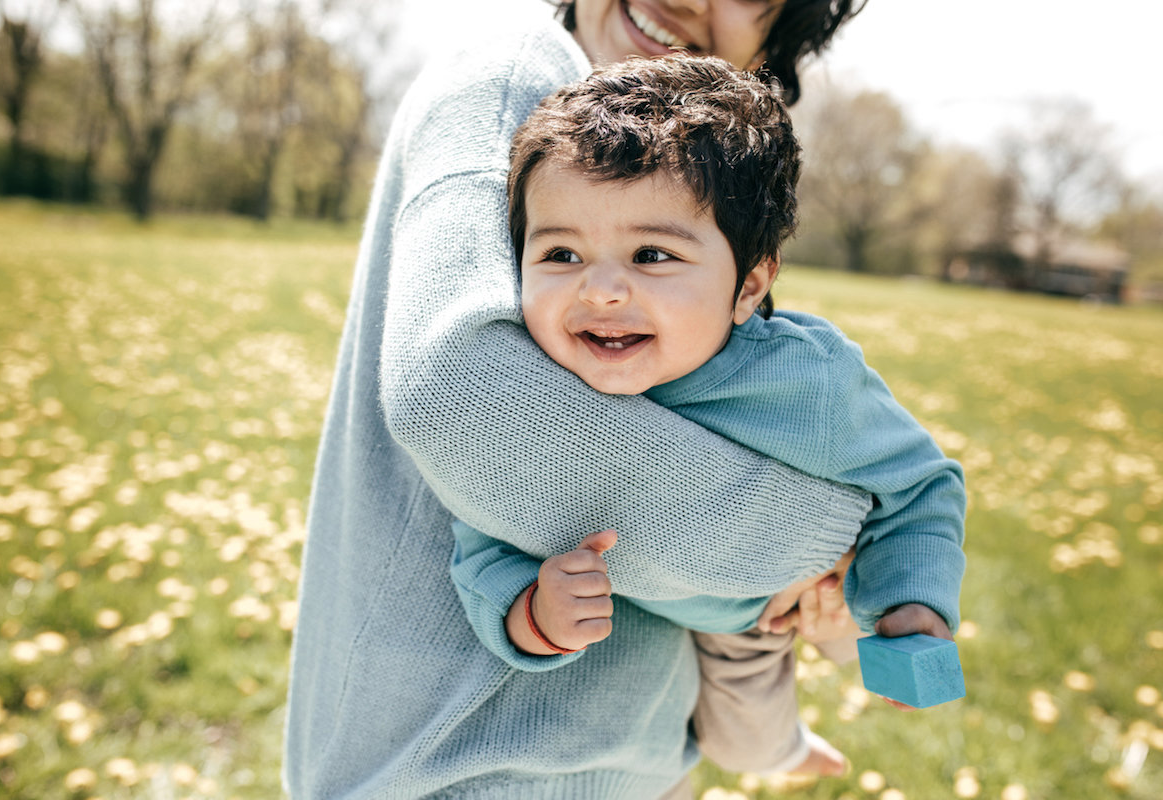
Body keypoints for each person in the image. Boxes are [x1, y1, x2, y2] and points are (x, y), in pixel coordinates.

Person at [282, 2, 899, 798]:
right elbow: (462, 401)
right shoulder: (515, 72)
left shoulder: (692, 186)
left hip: (632, 765)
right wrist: (824, 552)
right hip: (458, 768)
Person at [448, 53, 966, 781]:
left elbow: (920, 484)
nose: (599, 290)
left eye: (651, 254)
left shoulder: (804, 382)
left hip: (755, 618)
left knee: (750, 745)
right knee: (728, 742)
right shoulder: (529, 388)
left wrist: (910, 604)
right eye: (561, 252)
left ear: (748, 285)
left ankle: (829, 673)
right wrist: (532, 611)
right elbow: (480, 533)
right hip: (655, 614)